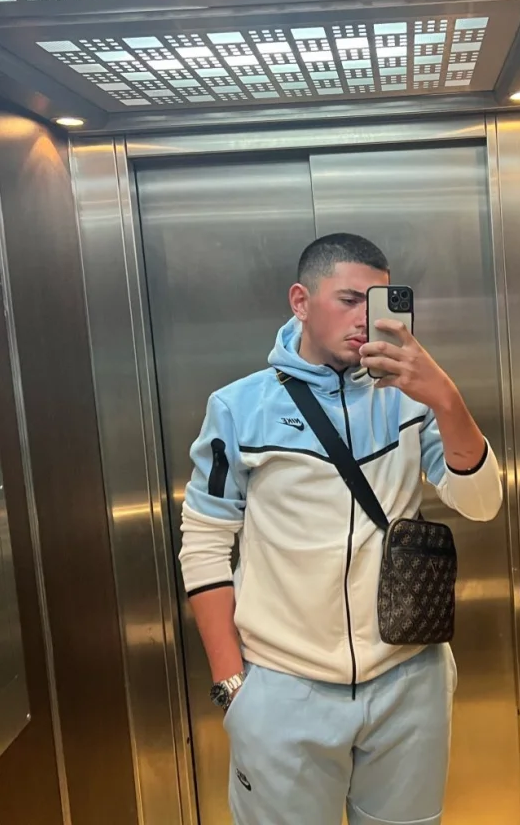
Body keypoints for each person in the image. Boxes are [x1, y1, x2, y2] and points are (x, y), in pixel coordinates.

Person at [178, 232, 503, 825]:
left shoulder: (411, 398)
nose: (364, 320)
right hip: (284, 691)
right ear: (301, 301)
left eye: (377, 304)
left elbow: (481, 503)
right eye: (349, 300)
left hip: (409, 681)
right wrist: (233, 686)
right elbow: (204, 544)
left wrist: (446, 398)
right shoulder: (239, 407)